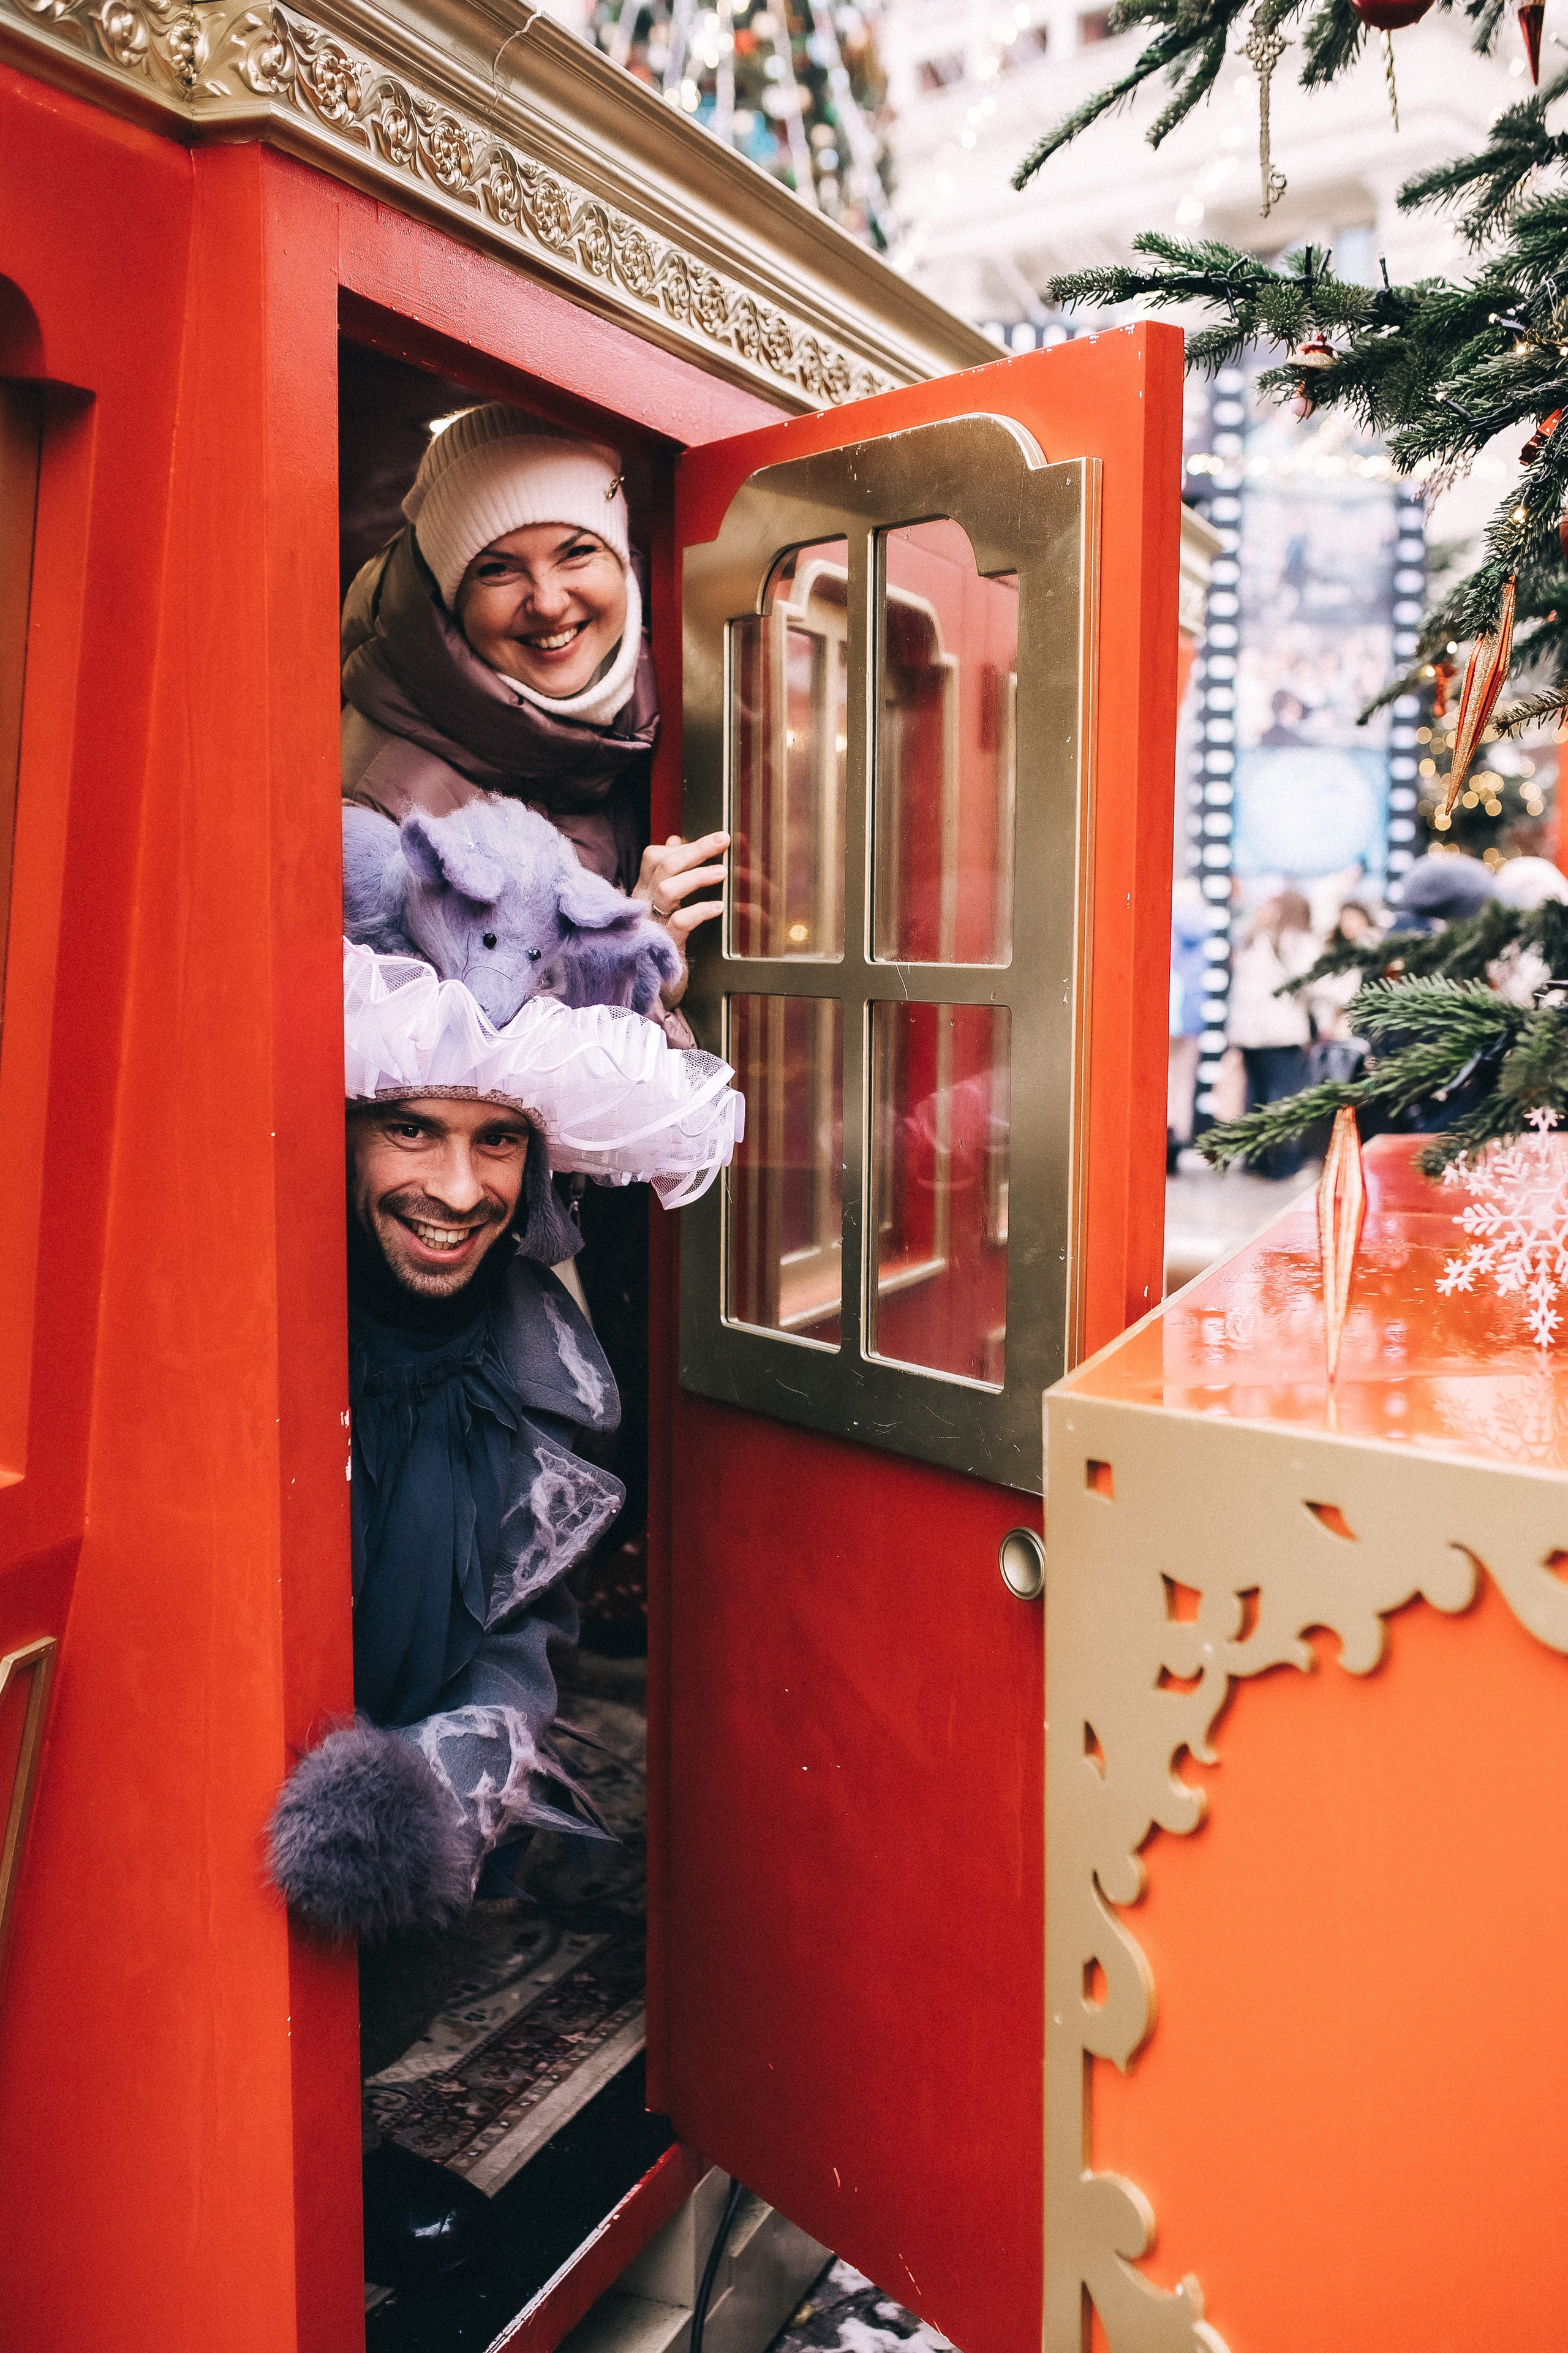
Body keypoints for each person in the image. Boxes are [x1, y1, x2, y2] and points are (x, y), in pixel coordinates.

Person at [268, 1080, 624, 2289]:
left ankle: (334, 2140)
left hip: (402, 1755)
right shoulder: (251, 1303)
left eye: (499, 1140)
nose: (459, 1190)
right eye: (411, 1128)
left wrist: (443, 1777)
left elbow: (531, 1626)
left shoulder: (548, 1371)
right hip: (202, 1749)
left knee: (376, 1962)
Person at [339, 402, 726, 1025]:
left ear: (624, 565)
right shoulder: (388, 805)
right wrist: (630, 963)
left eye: (576, 553)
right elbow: (446, 1082)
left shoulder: (656, 721)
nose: (547, 602)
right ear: (449, 601)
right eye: (496, 570)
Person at [1227, 887, 1318, 1178]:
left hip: (1249, 1033)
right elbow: (1315, 982)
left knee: (1256, 1097)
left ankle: (1255, 1161)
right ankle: (1283, 1164)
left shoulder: (1255, 939)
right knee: (1283, 1099)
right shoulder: (1298, 942)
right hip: (1281, 1032)